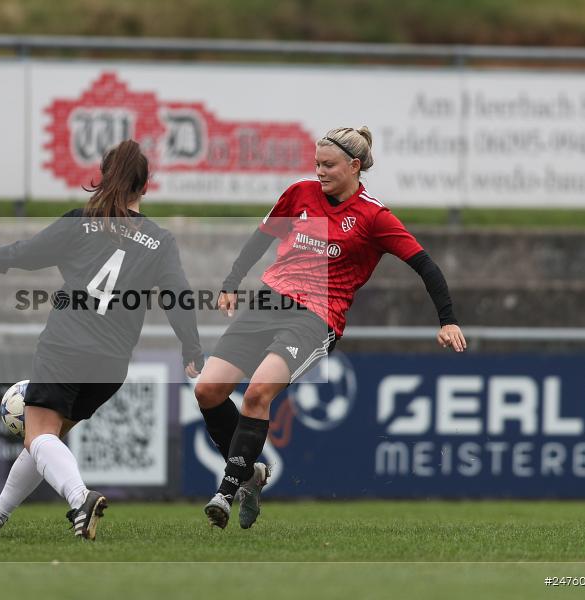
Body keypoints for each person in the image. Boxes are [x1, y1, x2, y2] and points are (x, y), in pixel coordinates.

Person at [195, 126, 466, 529]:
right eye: (317, 163)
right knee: (208, 390)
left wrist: (447, 320)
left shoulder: (374, 216)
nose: (319, 171)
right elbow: (261, 237)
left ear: (354, 166)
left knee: (257, 394)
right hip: (269, 301)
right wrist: (231, 282)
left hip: (315, 317)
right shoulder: (299, 193)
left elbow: (425, 264)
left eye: (329, 165)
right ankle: (250, 473)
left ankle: (226, 492)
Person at [0, 139, 203, 541]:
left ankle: (80, 499)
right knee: (46, 439)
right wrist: (191, 347)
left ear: (103, 177)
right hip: (111, 364)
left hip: (66, 345)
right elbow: (179, 297)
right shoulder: (160, 240)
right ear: (145, 186)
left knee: (39, 436)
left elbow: (28, 253)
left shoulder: (81, 222)